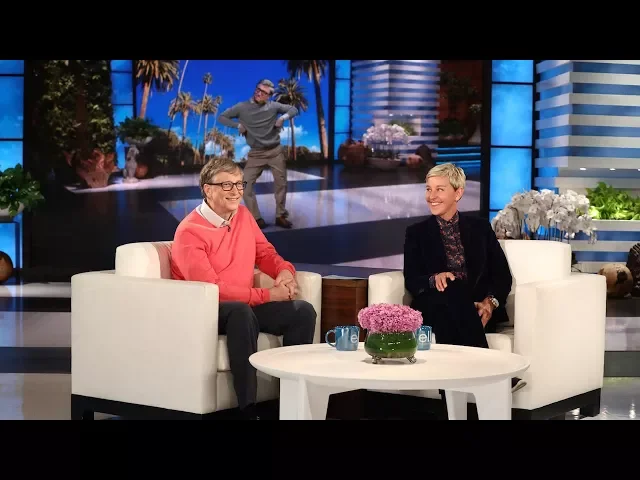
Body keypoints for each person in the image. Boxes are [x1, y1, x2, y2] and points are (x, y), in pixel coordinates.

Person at [170, 157, 317, 419]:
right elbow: (212, 289)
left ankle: (289, 403)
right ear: (208, 190)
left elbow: (265, 253)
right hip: (204, 311)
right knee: (240, 313)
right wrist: (269, 294)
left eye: (240, 184)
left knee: (301, 312)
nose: (236, 191)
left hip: (244, 306)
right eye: (227, 185)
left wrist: (284, 271)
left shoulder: (243, 215)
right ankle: (247, 410)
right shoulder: (189, 232)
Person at [403, 163, 526, 398]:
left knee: (449, 314)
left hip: (477, 311)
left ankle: (450, 396)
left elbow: (502, 275)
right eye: (428, 189)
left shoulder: (480, 228)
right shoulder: (416, 233)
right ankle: (494, 375)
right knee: (452, 288)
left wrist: (490, 303)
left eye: (439, 189)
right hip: (433, 303)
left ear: (458, 193)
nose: (431, 196)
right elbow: (412, 279)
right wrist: (434, 278)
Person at [218, 78, 298, 230]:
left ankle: (280, 216)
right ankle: (256, 217)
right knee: (245, 185)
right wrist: (237, 125)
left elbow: (293, 110)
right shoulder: (242, 107)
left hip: (275, 152)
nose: (259, 93)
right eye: (258, 89)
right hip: (256, 154)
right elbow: (222, 117)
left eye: (263, 92)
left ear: (269, 96)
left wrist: (282, 118)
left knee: (281, 184)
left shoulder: (273, 106)